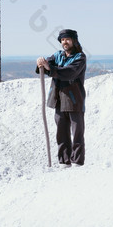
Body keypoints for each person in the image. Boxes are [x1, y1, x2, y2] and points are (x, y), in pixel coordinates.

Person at [36, 29, 86, 167]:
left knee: (77, 132)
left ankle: (77, 161)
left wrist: (50, 68)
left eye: (67, 39)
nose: (65, 42)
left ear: (74, 40)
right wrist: (41, 62)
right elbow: (48, 64)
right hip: (58, 99)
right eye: (63, 40)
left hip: (74, 100)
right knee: (61, 132)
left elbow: (70, 72)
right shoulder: (58, 55)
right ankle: (64, 161)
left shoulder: (80, 57)